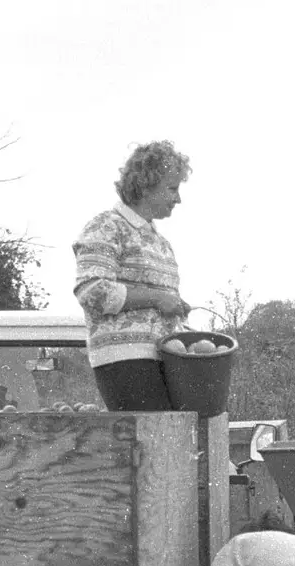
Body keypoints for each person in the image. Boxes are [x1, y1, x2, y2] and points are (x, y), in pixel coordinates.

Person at [72, 141, 192, 411]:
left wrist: (174, 307)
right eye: (172, 189)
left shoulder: (160, 242)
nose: (178, 199)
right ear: (146, 187)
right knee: (153, 444)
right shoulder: (107, 226)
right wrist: (158, 298)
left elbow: (159, 304)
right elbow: (92, 291)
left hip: (164, 358)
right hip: (125, 359)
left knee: (173, 443)